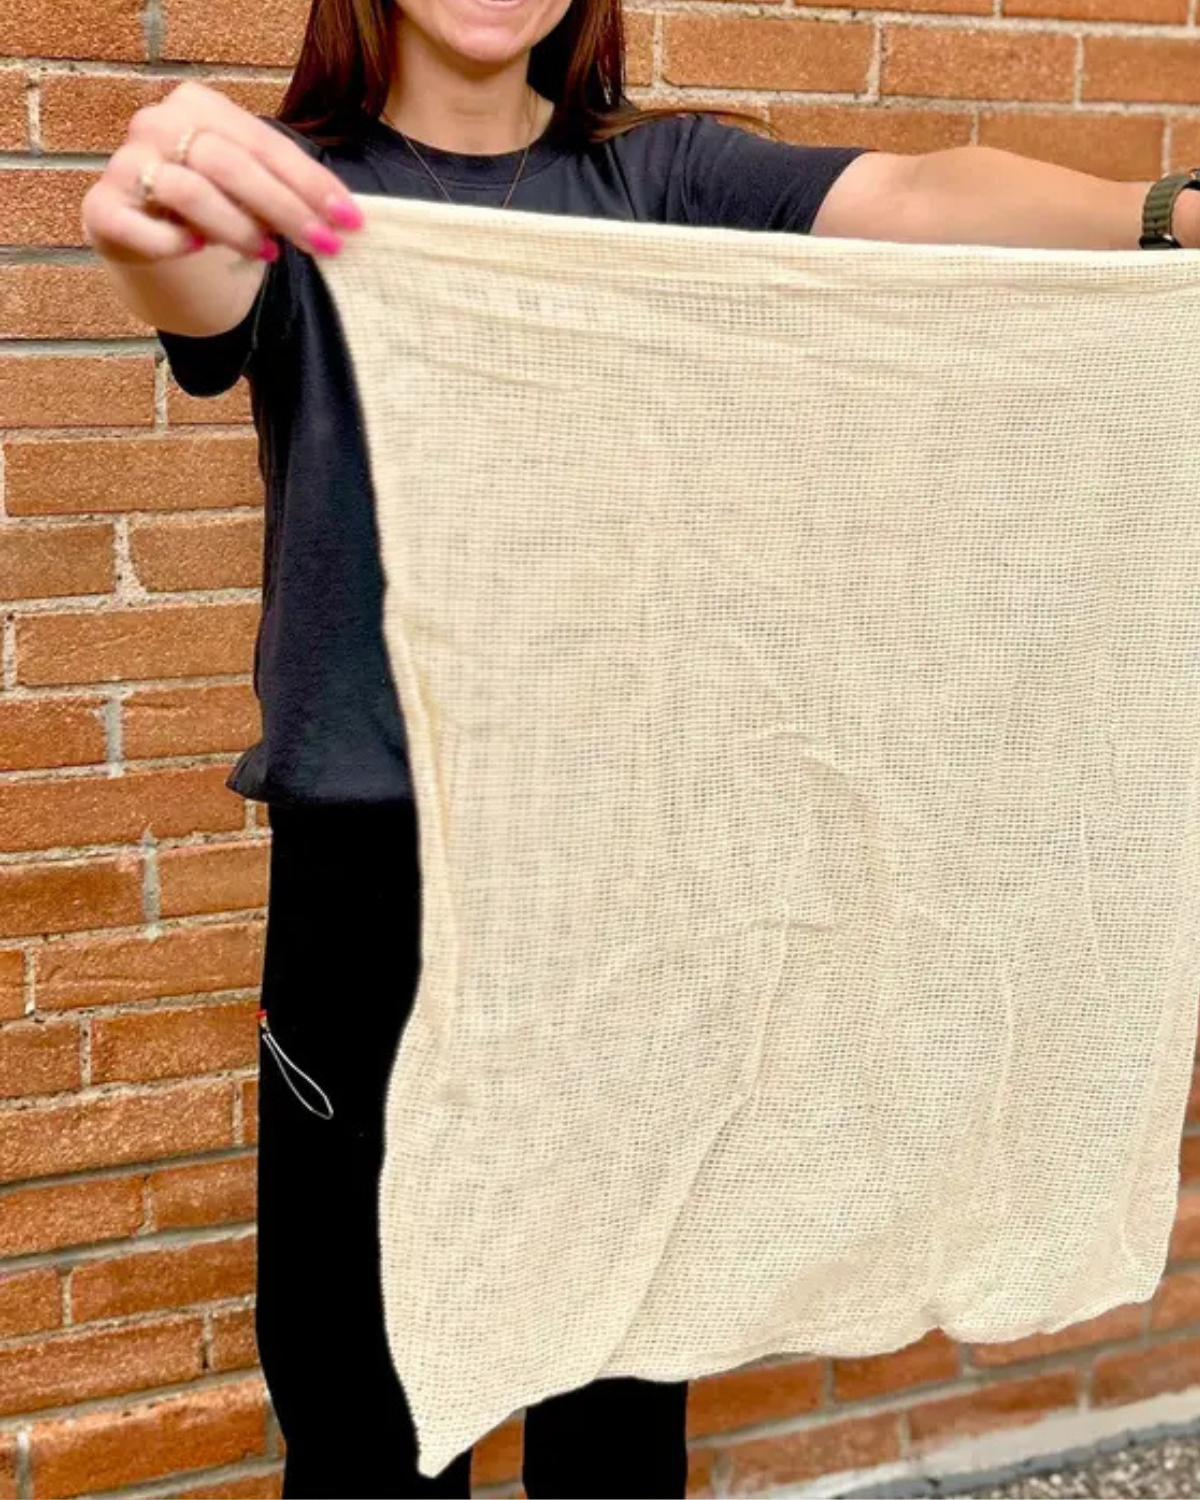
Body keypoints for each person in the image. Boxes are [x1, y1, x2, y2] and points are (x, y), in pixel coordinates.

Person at [81, 0, 1192, 1493]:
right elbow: (186, 268)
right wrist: (158, 189)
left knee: (616, 1388)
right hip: (377, 870)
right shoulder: (295, 196)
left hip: (632, 859)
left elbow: (922, 195)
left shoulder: (660, 182)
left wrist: (1169, 213)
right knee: (362, 1403)